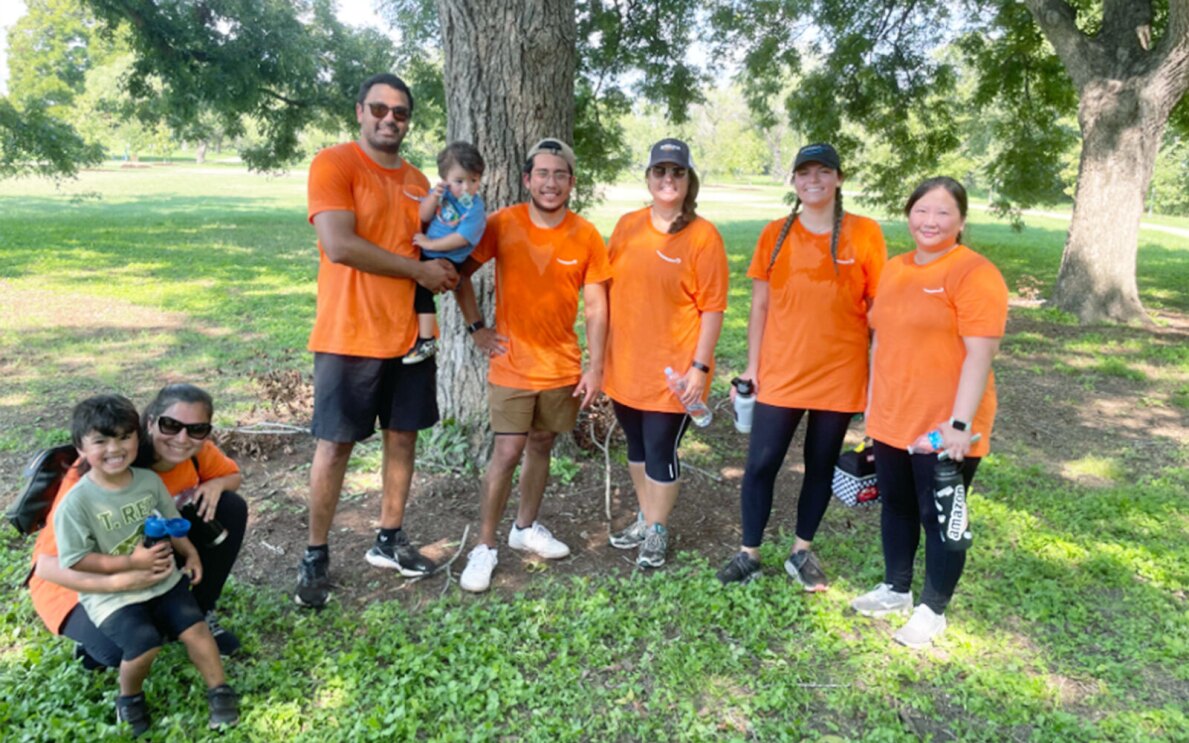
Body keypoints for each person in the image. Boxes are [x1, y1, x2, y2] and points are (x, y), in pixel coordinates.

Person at [297, 73, 459, 608]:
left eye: (401, 113)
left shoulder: (417, 180)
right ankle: (315, 553)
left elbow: (425, 245)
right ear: (360, 112)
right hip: (349, 333)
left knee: (404, 436)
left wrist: (447, 264)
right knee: (336, 443)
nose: (390, 119)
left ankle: (388, 538)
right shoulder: (335, 164)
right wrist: (419, 273)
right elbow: (340, 245)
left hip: (409, 336)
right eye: (380, 109)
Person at [716, 143, 887, 588]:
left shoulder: (865, 233)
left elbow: (879, 312)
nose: (814, 180)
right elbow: (759, 307)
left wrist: (877, 375)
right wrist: (752, 368)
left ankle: (801, 552)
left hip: (840, 373)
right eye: (804, 172)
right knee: (761, 464)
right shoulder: (775, 233)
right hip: (781, 372)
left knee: (820, 465)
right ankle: (748, 553)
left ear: (838, 178)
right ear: (793, 181)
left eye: (823, 171)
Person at [851, 176, 1008, 648]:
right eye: (922, 210)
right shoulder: (895, 269)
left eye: (942, 213)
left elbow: (980, 355)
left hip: (947, 426)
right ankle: (897, 589)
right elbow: (880, 342)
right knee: (896, 507)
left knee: (941, 519)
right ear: (908, 214)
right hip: (893, 415)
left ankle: (932, 610)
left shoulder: (975, 273)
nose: (930, 221)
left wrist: (958, 426)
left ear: (961, 221)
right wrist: (872, 408)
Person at [451, 138, 610, 593]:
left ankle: (525, 529)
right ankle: (484, 547)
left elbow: (597, 307)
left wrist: (596, 366)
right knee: (507, 451)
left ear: (571, 183)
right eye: (542, 173)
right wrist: (476, 328)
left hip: (561, 366)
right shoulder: (502, 224)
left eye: (560, 174)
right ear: (527, 179)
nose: (550, 182)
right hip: (511, 364)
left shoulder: (586, 235)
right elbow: (460, 273)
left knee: (542, 443)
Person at [51, 395, 238, 735]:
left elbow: (169, 521)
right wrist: (129, 563)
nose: (115, 448)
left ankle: (220, 691)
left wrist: (192, 553)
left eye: (124, 436)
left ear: (139, 436)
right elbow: (76, 559)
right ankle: (130, 698)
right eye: (101, 441)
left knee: (195, 627)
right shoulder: (76, 502)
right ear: (80, 447)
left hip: (162, 579)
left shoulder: (148, 482)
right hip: (113, 596)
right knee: (144, 643)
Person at [29, 383, 249, 670]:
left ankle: (201, 610)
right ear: (150, 422)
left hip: (142, 557)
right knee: (122, 650)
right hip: (79, 580)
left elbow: (232, 476)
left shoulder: (197, 450)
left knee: (229, 506)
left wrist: (217, 484)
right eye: (171, 425)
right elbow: (48, 566)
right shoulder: (99, 471)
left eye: (197, 429)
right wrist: (118, 582)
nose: (182, 438)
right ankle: (98, 636)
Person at [604, 138, 729, 568]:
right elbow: (604, 288)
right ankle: (646, 517)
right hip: (625, 366)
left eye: (677, 171)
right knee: (636, 447)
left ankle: (657, 531)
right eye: (660, 171)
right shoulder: (626, 226)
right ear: (648, 177)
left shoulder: (703, 236)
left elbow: (713, 307)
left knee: (661, 449)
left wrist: (700, 366)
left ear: (689, 179)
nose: (668, 179)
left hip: (676, 373)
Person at [406, 141, 488, 364]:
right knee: (412, 289)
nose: (467, 188)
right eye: (459, 181)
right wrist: (433, 197)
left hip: (449, 257)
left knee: (420, 291)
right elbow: (423, 215)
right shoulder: (443, 195)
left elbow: (461, 238)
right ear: (445, 179)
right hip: (431, 250)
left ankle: (427, 339)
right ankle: (419, 335)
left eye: (474, 180)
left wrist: (431, 245)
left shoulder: (474, 207)